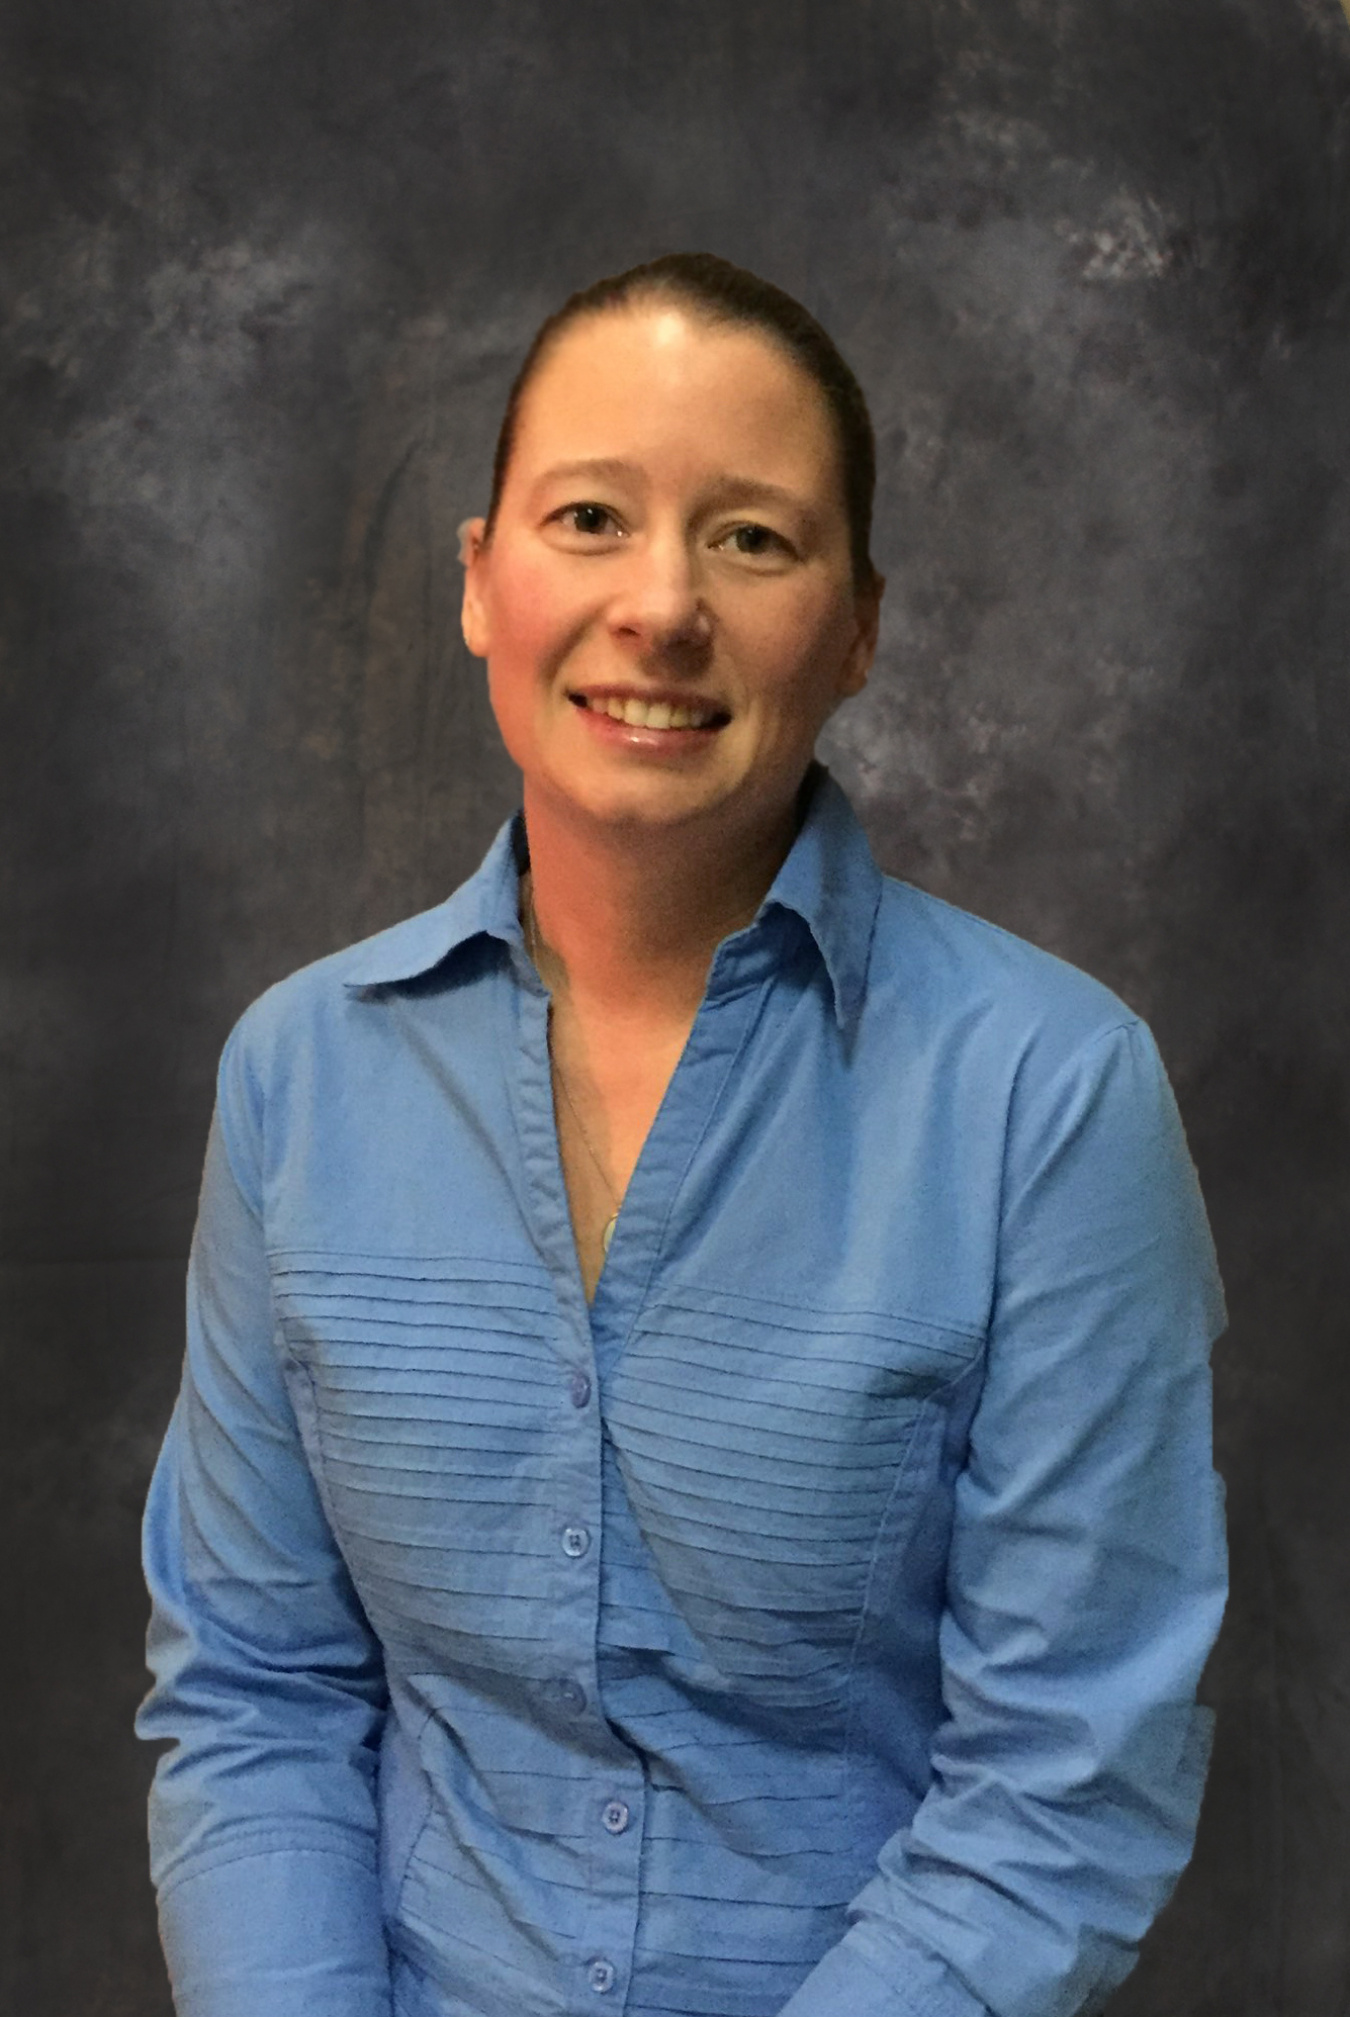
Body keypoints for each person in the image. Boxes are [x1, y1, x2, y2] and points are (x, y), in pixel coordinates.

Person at [137, 252, 1227, 2017]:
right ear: (480, 583)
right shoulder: (296, 1079)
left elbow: (1063, 1780)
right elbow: (256, 1689)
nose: (659, 605)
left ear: (858, 626)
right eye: (589, 516)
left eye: (751, 538)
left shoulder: (1051, 1094)